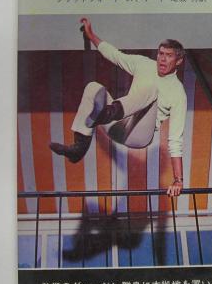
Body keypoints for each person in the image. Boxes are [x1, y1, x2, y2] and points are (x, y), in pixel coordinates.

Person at [49, 17, 187, 197]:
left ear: (179, 61)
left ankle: (105, 113)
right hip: (116, 125)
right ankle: (78, 148)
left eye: (169, 55)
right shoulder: (144, 64)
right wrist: (91, 35)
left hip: (138, 134)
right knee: (93, 87)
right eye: (161, 53)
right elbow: (115, 55)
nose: (162, 59)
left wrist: (178, 180)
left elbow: (175, 140)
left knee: (152, 89)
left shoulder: (178, 92)